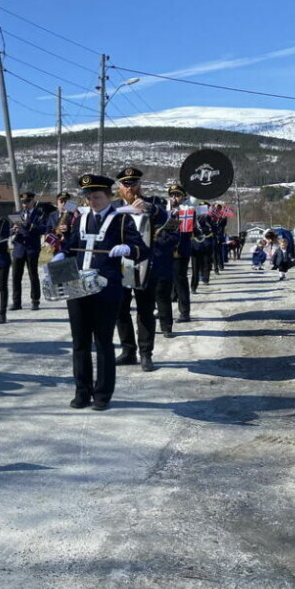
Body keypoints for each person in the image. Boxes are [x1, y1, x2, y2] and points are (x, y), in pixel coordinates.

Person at [54, 174, 148, 411]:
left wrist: (128, 248)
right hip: (78, 288)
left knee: (103, 342)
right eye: (88, 197)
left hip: (106, 290)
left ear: (108, 196)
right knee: (79, 343)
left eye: (97, 196)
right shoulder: (81, 219)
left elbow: (143, 250)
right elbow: (70, 245)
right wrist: (62, 253)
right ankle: (82, 392)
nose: (92, 201)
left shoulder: (121, 220)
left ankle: (102, 395)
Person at [112, 166, 169, 372]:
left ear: (140, 185)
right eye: (126, 184)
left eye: (134, 183)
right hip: (121, 265)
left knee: (145, 310)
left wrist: (149, 208)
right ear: (119, 187)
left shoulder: (153, 203)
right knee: (121, 310)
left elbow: (168, 220)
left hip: (146, 264)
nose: (130, 188)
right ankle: (128, 351)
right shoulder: (114, 207)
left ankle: (146, 354)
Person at [10, 190, 49, 311]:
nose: (25, 205)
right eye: (23, 202)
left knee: (33, 275)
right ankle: (16, 302)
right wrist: (13, 229)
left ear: (32, 201)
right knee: (16, 276)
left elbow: (44, 228)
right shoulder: (17, 214)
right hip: (19, 248)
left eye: (27, 202)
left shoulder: (39, 214)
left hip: (32, 248)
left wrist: (31, 226)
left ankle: (35, 300)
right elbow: (9, 229)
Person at [166, 184, 193, 323]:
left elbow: (187, 230)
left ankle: (184, 312)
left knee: (180, 280)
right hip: (166, 249)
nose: (174, 198)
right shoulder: (166, 210)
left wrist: (178, 215)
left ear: (183, 197)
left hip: (181, 249)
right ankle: (164, 309)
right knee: (165, 280)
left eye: (177, 195)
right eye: (172, 195)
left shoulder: (188, 210)